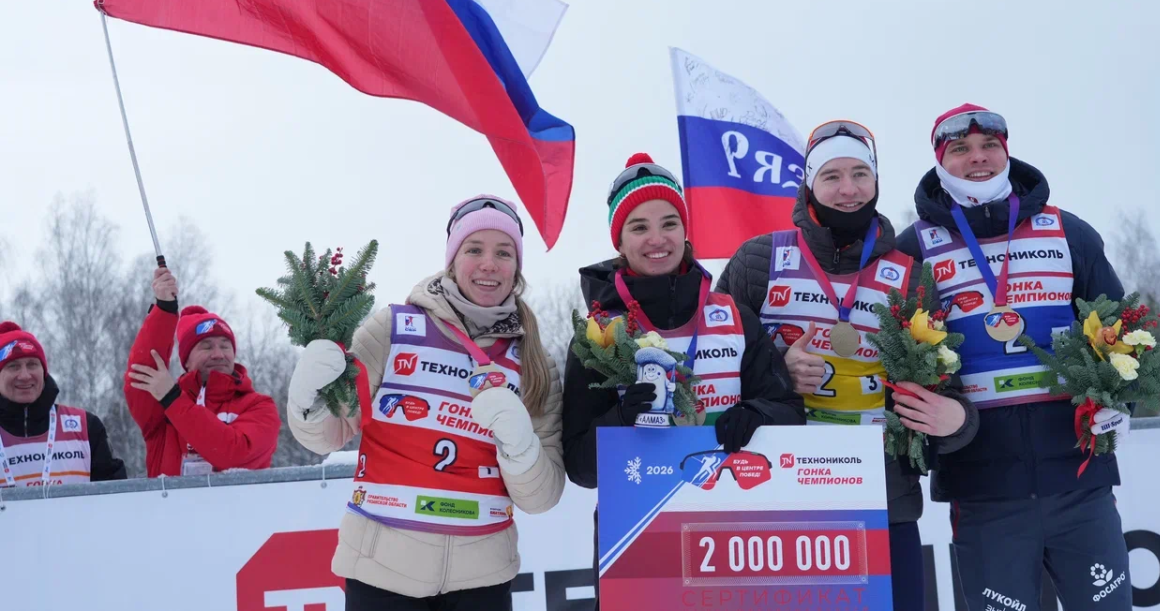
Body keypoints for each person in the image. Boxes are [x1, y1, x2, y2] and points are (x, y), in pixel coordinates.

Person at [717, 121, 978, 611]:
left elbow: (948, 388)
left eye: (860, 174)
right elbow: (714, 365)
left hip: (883, 496)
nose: (848, 189)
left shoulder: (910, 275)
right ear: (809, 183)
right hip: (777, 493)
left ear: (876, 181)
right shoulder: (758, 260)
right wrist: (779, 372)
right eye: (831, 176)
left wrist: (957, 420)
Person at [895, 104, 1130, 611]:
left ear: (1006, 152)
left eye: (989, 146)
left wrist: (1119, 398)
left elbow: (1123, 330)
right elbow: (898, 360)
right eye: (960, 149)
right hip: (983, 494)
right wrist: (936, 424)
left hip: (1079, 483)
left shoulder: (1067, 231)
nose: (977, 158)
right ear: (940, 161)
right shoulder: (913, 249)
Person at [288, 195, 565, 611]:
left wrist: (520, 445)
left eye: (503, 253)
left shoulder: (535, 362)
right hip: (380, 572)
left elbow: (542, 497)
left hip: (483, 581)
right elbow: (330, 433)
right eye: (474, 249)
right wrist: (308, 399)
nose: (489, 264)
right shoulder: (394, 328)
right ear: (452, 260)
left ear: (517, 267)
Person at [563, 154, 807, 606]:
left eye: (669, 223)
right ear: (619, 240)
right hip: (637, 535)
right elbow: (579, 467)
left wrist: (756, 414)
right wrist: (621, 421)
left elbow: (790, 412)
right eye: (639, 227)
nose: (657, 239)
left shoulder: (734, 317)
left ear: (685, 230)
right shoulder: (599, 334)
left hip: (732, 530)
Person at [124, 267, 281, 475]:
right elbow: (142, 371)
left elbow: (234, 455)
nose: (218, 354)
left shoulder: (259, 406)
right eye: (206, 347)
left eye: (225, 346)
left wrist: (173, 399)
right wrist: (164, 308)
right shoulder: (162, 407)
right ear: (186, 360)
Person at [0, 321, 126, 486]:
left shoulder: (86, 426)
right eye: (13, 366)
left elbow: (116, 494)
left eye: (32, 364)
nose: (25, 375)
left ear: (44, 371)